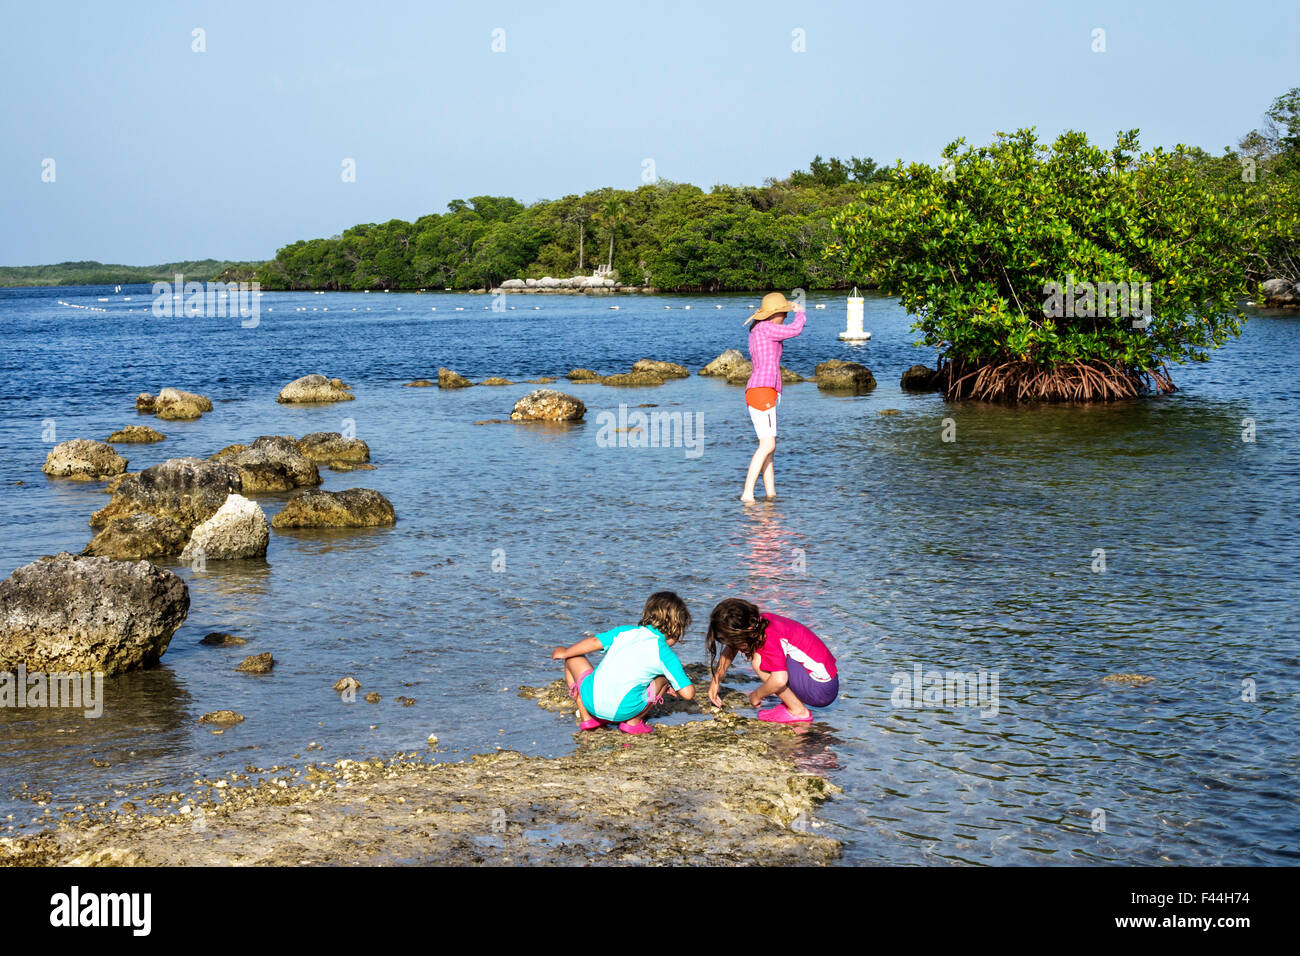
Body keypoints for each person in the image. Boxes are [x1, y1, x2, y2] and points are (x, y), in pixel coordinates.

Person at [551, 591, 696, 734]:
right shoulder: (665, 654)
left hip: (591, 702)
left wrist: (565, 652)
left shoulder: (624, 632)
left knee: (573, 658)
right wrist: (672, 683)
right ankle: (633, 723)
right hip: (624, 711)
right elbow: (688, 694)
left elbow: (594, 641)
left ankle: (587, 717)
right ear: (676, 628)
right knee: (663, 677)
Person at [704, 597, 837, 724]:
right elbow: (731, 648)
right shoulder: (759, 623)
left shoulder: (769, 638)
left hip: (820, 690)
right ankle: (791, 703)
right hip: (825, 683)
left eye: (735, 641)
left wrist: (756, 695)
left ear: (747, 630)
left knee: (757, 660)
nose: (735, 646)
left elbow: (780, 680)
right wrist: (716, 682)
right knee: (761, 656)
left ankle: (797, 710)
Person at [741, 292, 806, 502]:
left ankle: (771, 494)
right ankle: (747, 493)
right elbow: (795, 330)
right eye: (784, 313)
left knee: (769, 447)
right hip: (762, 390)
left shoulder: (758, 330)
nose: (786, 317)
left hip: (760, 390)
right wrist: (801, 313)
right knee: (767, 445)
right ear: (775, 314)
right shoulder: (767, 328)